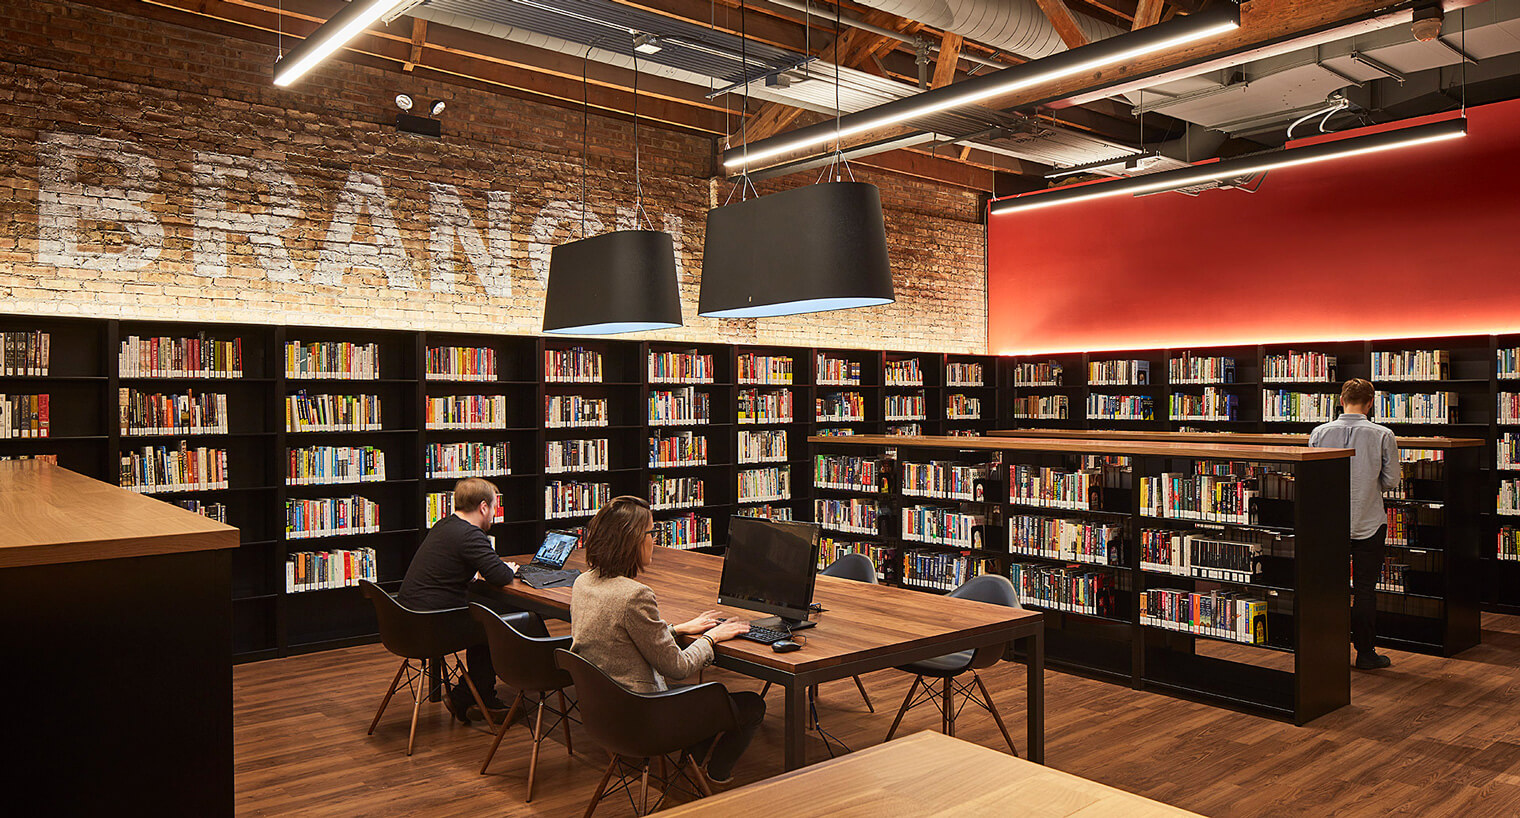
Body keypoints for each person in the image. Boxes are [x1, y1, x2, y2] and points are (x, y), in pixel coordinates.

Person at [569, 496, 763, 783]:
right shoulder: (634, 595)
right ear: (632, 539)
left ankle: (695, 757)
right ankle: (715, 772)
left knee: (710, 700)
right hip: (644, 718)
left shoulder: (583, 582)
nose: (654, 542)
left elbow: (617, 639)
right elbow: (678, 667)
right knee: (751, 705)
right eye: (651, 534)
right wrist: (711, 637)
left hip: (606, 713)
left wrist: (677, 629)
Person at [398, 477, 519, 720]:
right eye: (495, 507)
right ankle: (472, 696)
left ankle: (473, 695)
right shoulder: (471, 535)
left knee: (487, 616)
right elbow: (499, 575)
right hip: (433, 625)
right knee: (495, 623)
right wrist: (511, 569)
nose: (494, 514)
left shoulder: (445, 525)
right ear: (483, 507)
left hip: (407, 620)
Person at [1309, 378, 1400, 670]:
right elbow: (1392, 481)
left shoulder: (1319, 433)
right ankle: (1365, 653)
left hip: (1329, 525)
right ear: (1371, 402)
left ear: (1340, 400)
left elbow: (1314, 480)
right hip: (1369, 521)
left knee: (1326, 588)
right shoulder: (1383, 434)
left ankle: (1325, 650)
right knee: (1364, 590)